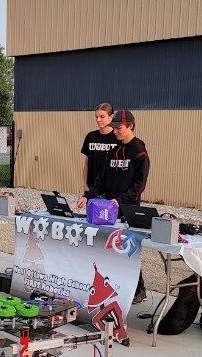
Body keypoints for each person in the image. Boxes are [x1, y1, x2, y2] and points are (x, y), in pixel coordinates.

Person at [76, 108, 150, 303]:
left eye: (119, 128)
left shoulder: (139, 151)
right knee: (107, 248)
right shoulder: (114, 150)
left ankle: (139, 290)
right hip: (108, 211)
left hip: (127, 210)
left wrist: (120, 200)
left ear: (130, 126)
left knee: (127, 249)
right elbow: (101, 180)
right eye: (114, 127)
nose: (115, 131)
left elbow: (139, 184)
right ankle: (112, 286)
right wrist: (87, 195)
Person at [81, 103, 119, 193]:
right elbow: (86, 164)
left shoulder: (118, 138)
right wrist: (85, 186)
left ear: (111, 117)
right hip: (92, 189)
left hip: (111, 191)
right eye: (96, 117)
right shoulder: (91, 136)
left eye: (102, 116)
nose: (98, 120)